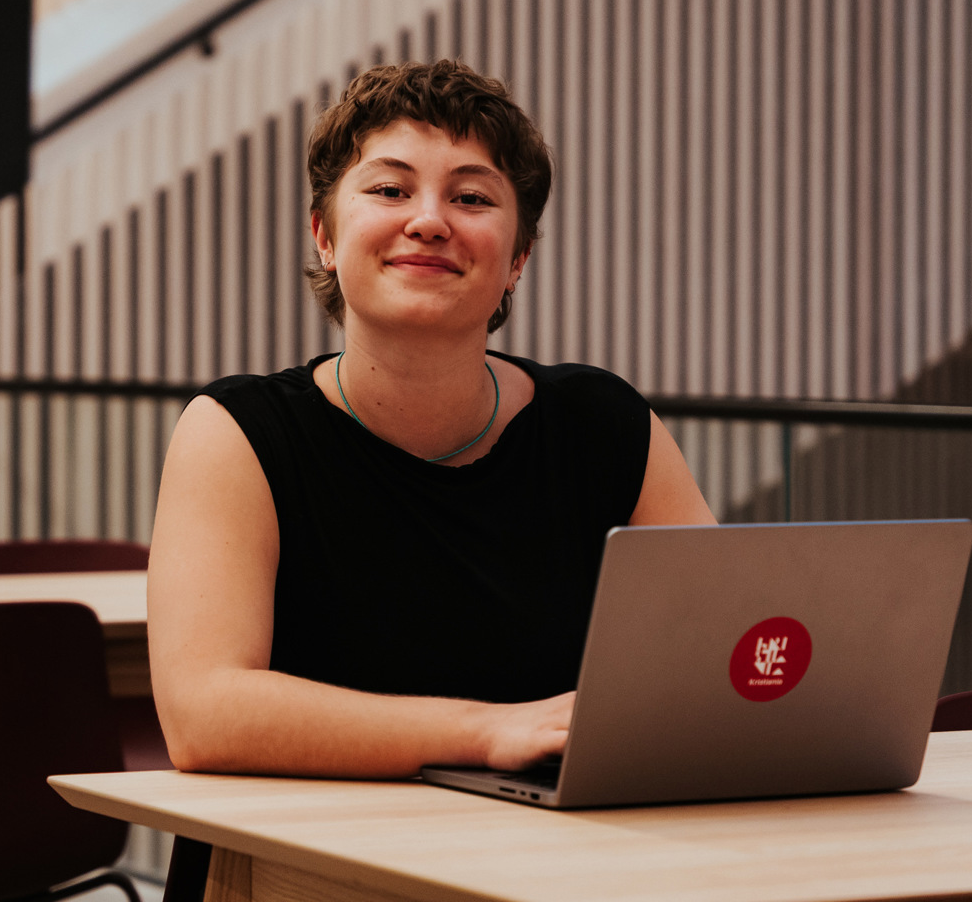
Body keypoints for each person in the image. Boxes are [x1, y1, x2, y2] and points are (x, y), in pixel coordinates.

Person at [147, 60, 715, 780]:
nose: (427, 221)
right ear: (324, 234)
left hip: (559, 856)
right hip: (305, 867)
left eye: (471, 197)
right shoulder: (237, 432)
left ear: (518, 258)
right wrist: (484, 732)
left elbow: (718, 655)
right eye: (388, 189)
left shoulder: (605, 425)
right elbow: (204, 715)